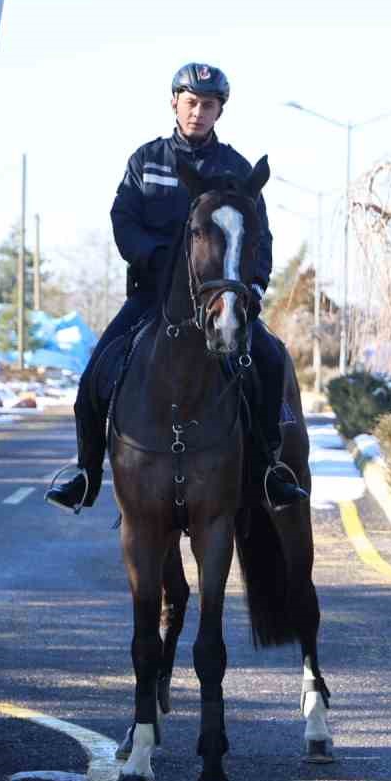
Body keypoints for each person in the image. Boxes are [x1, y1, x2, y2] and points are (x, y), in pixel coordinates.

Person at [45, 62, 307, 513]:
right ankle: (86, 473)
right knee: (93, 378)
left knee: (269, 362)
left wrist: (255, 285)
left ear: (219, 111)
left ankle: (268, 471)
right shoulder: (146, 161)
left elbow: (259, 236)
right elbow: (122, 219)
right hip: (153, 297)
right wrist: (153, 258)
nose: (198, 112)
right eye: (191, 103)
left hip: (222, 300)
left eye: (208, 105)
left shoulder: (237, 169)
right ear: (174, 103)